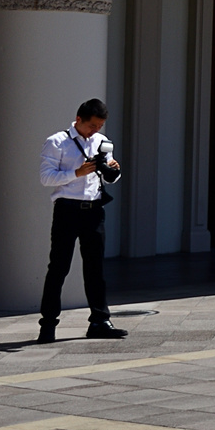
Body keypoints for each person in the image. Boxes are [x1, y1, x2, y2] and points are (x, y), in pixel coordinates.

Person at [37, 98, 128, 343]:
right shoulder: (57, 142)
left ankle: (100, 321)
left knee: (95, 268)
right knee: (58, 267)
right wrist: (76, 173)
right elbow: (46, 178)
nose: (96, 131)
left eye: (100, 126)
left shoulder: (101, 142)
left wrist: (113, 172)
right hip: (67, 209)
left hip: (94, 210)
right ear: (79, 120)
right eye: (92, 126)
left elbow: (110, 177)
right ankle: (47, 324)